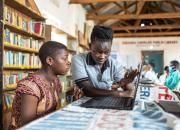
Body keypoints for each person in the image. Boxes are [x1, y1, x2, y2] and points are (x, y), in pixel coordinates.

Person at [9, 41, 70, 129]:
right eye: (64, 59)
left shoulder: (56, 81)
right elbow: (28, 125)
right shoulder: (30, 85)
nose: (68, 63)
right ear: (50, 60)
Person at [72, 25, 138, 98]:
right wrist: (119, 94)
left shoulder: (115, 64)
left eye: (107, 52)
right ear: (90, 47)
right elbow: (88, 90)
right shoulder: (78, 60)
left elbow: (126, 88)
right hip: (83, 104)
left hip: (106, 100)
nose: (102, 57)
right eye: (98, 52)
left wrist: (127, 84)